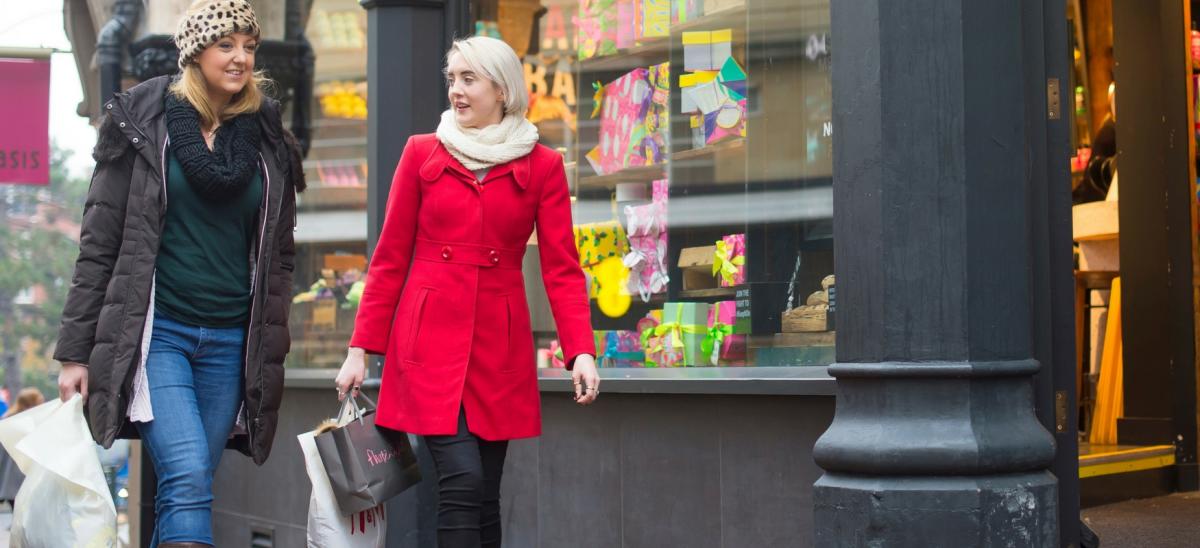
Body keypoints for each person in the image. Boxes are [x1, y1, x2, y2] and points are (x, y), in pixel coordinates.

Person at [54, 1, 304, 546]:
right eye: (226, 45)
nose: (240, 59)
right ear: (195, 52)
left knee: (188, 485)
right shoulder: (143, 120)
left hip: (230, 339)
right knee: (188, 474)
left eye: (249, 47)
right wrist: (75, 353)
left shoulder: (268, 138)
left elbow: (280, 253)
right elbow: (100, 243)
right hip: (158, 333)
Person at [335, 36, 601, 548]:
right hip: (427, 343)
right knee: (463, 481)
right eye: (451, 79)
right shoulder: (421, 152)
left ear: (501, 89)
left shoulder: (542, 164)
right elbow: (389, 259)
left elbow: (562, 269)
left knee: (484, 496)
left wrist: (581, 351)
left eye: (468, 79)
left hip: (497, 349)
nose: (455, 91)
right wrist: (360, 349)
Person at [0, 388, 47, 508]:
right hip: (17, 467)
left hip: (14, 468)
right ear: (30, 403)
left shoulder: (8, 418)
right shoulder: (17, 420)